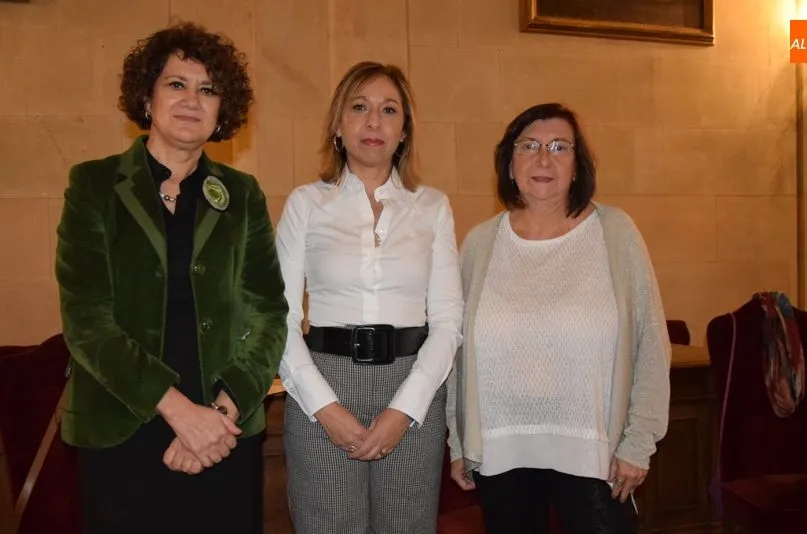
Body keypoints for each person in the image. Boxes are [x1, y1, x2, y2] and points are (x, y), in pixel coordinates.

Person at [54, 22, 287, 534]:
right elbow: (87, 320)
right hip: (123, 429)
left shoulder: (243, 194)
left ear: (223, 109)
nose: (191, 100)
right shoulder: (94, 185)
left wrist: (220, 415)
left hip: (224, 433)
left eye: (208, 89)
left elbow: (269, 313)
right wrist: (181, 413)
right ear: (146, 96)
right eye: (176, 84)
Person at [445, 102, 672, 534]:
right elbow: (458, 356)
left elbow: (650, 344)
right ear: (509, 164)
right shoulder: (479, 244)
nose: (543, 159)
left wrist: (638, 443)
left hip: (595, 454)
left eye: (558, 147)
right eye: (528, 145)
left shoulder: (616, 233)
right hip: (500, 452)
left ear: (577, 165)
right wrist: (459, 441)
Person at [275, 61, 464, 534]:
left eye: (388, 110)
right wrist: (324, 408)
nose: (374, 122)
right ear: (339, 126)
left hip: (412, 386)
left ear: (405, 131)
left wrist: (405, 408)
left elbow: (447, 320)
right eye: (359, 108)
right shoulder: (306, 203)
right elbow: (278, 317)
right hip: (322, 383)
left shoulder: (433, 207)